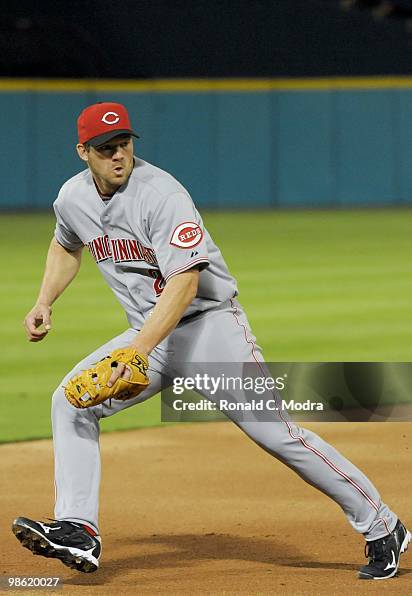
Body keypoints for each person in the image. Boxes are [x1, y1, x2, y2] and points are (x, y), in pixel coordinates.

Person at [12, 102, 409, 580]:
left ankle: (383, 525)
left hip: (210, 329)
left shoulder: (161, 194)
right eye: (105, 149)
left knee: (277, 433)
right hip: (149, 333)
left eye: (124, 145)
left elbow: (185, 282)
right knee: (71, 403)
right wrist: (45, 300)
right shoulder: (72, 198)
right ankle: (79, 529)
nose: (118, 156)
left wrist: (136, 352)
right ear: (83, 152)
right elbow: (64, 243)